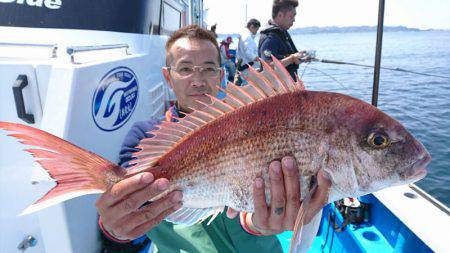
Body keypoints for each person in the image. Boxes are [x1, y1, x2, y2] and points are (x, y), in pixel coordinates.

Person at [96, 25, 331, 253]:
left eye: (208, 69)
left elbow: (247, 211)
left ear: (220, 76)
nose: (198, 80)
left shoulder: (252, 125)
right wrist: (116, 230)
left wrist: (260, 224)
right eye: (185, 69)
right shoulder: (145, 137)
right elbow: (129, 223)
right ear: (168, 77)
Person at [259, 0, 305, 81]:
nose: (294, 20)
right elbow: (268, 66)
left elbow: (292, 56)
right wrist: (291, 59)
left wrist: (301, 57)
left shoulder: (282, 32)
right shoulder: (270, 38)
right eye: (291, 16)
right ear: (280, 15)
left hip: (289, 87)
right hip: (278, 90)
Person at [235, 18, 261, 86]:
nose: (256, 32)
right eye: (256, 30)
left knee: (245, 85)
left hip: (245, 67)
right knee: (248, 86)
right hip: (249, 69)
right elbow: (249, 54)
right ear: (252, 26)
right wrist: (259, 59)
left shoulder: (243, 36)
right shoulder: (247, 37)